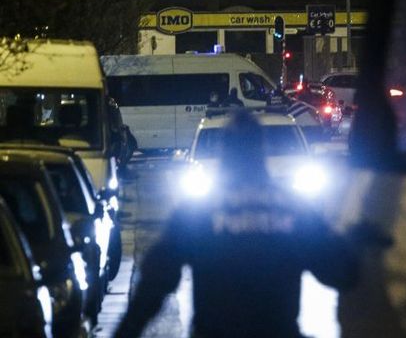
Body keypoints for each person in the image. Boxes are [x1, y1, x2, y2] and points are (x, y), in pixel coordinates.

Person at [113, 110, 359, 338]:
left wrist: (127, 330)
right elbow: (339, 271)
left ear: (224, 151)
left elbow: (156, 281)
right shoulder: (292, 207)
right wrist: (354, 235)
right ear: (261, 149)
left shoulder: (199, 211)